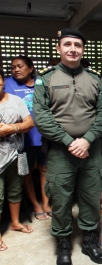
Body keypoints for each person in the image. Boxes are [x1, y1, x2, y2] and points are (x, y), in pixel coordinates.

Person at [33, 28, 102, 265]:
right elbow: (42, 116)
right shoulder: (46, 79)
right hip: (60, 151)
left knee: (90, 197)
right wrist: (69, 141)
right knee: (61, 198)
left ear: (82, 49)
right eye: (67, 44)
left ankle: (89, 243)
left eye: (77, 45)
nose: (73, 49)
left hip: (92, 150)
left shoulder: (95, 79)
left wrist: (86, 140)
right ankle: (63, 246)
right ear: (58, 48)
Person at [4, 55, 51, 221]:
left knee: (45, 169)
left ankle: (46, 203)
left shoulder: (41, 83)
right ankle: (36, 205)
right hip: (21, 139)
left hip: (44, 136)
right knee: (27, 173)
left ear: (30, 68)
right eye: (13, 67)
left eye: (20, 66)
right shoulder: (7, 83)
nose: (16, 69)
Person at [0, 68, 35, 251]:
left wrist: (11, 128)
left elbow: (29, 123)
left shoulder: (16, 101)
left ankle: (15, 222)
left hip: (15, 154)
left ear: (2, 81)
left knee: (15, 191)